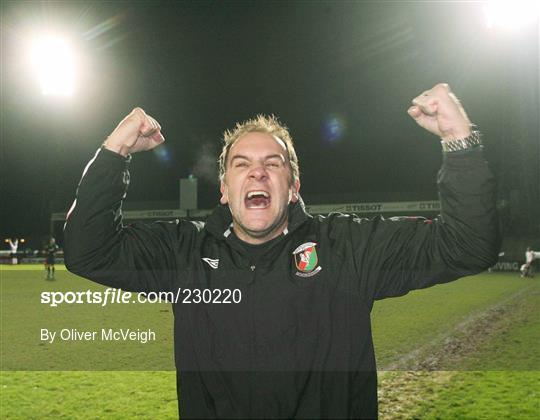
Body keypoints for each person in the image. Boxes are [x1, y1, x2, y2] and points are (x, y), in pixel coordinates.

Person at [64, 83, 499, 419]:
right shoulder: (185, 254)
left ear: (293, 188)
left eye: (273, 164)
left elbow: (469, 245)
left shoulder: (348, 246)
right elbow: (88, 251)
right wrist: (115, 151)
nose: (257, 172)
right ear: (223, 190)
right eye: (241, 164)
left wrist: (459, 140)